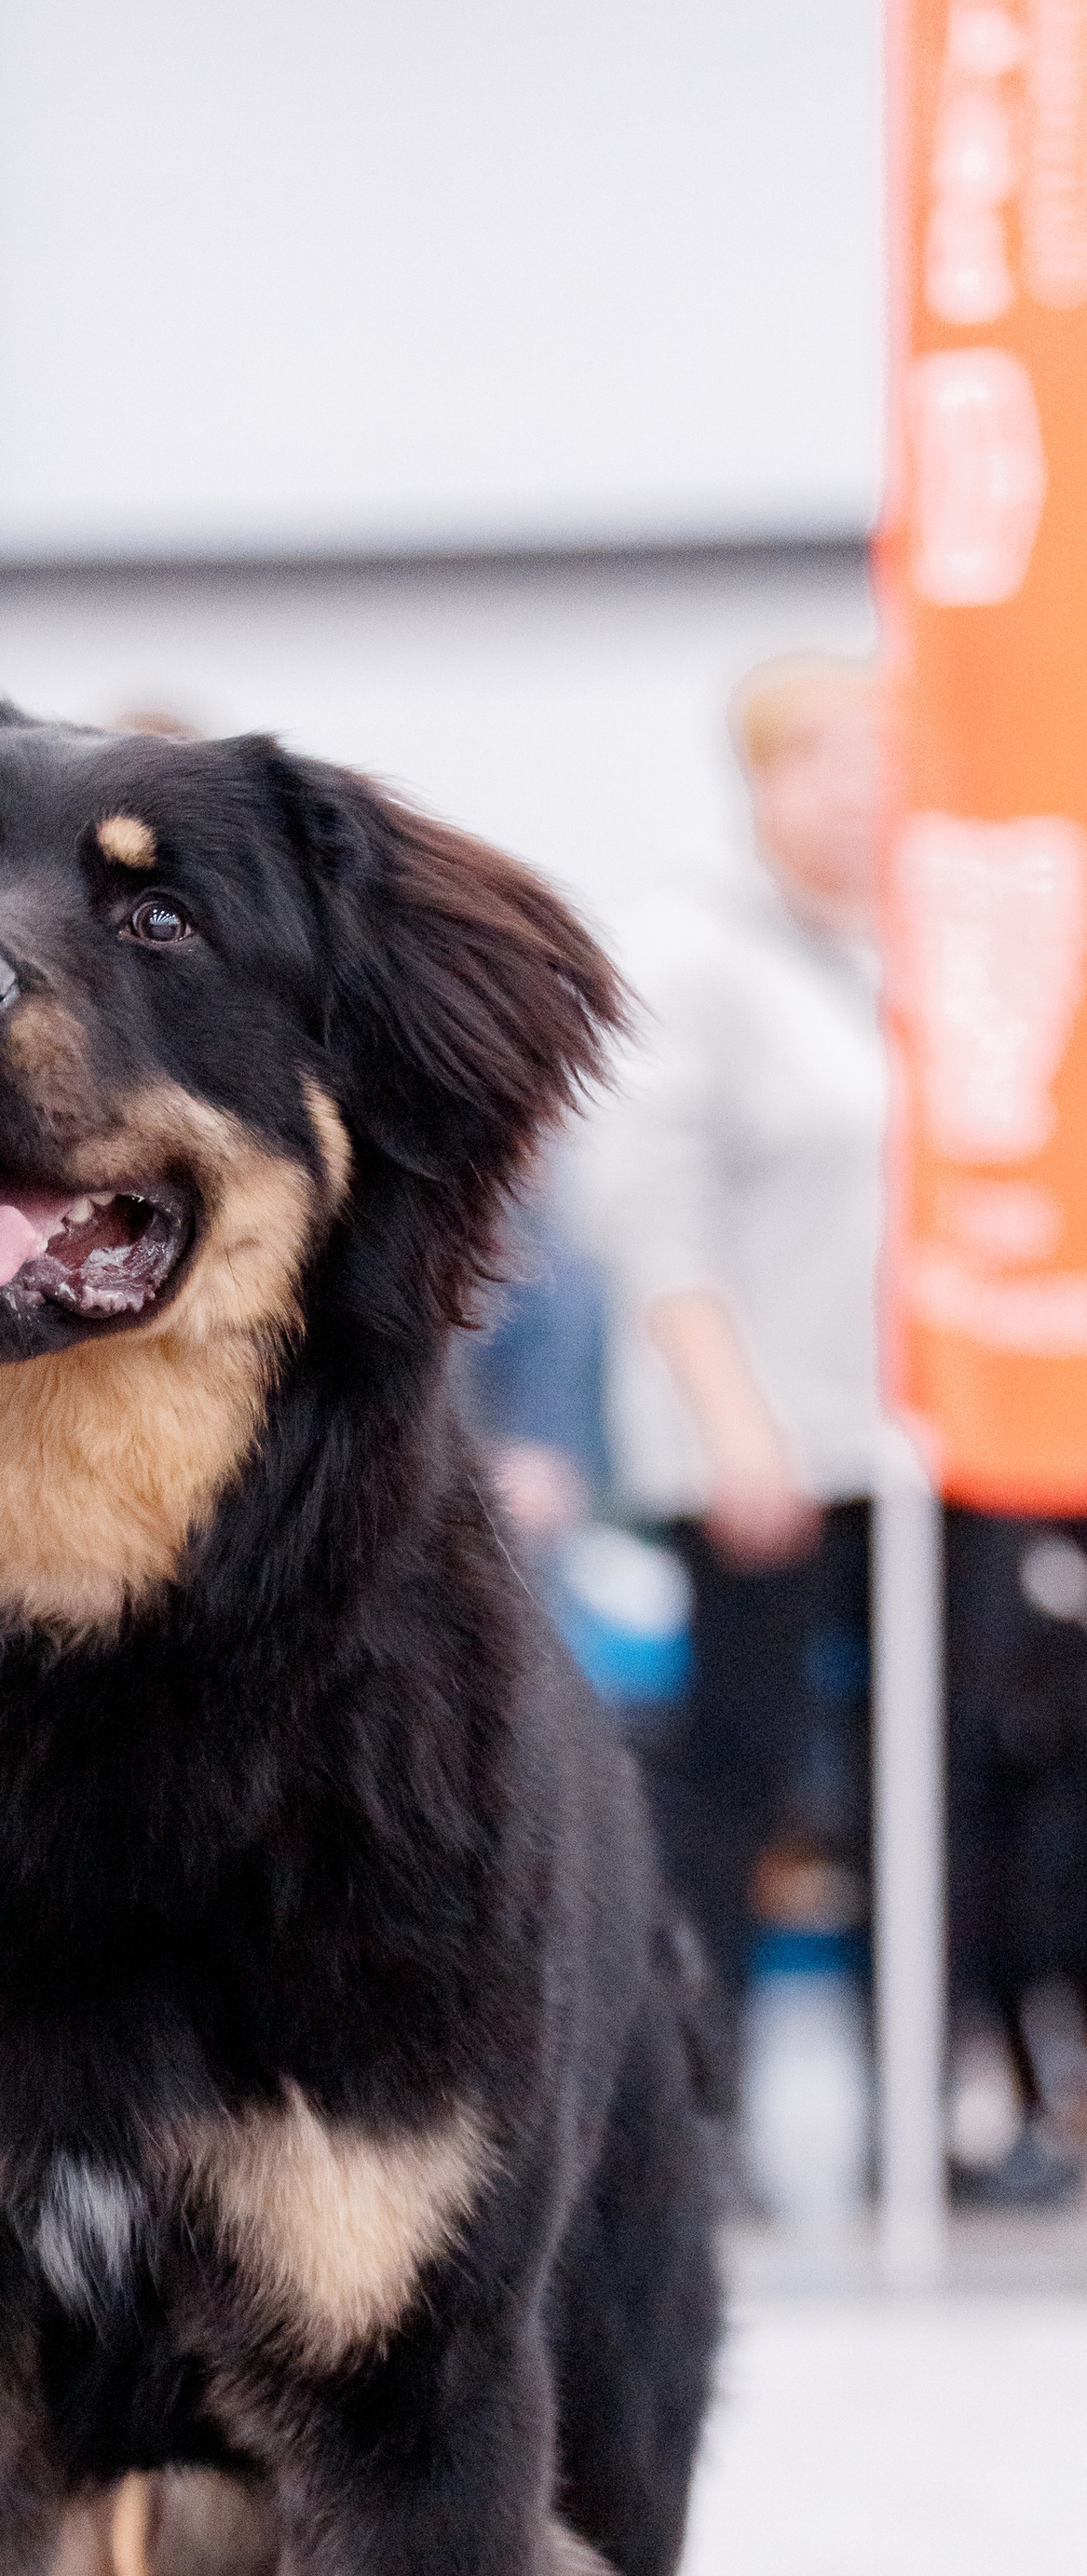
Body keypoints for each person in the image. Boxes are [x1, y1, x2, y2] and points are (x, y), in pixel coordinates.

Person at [571, 656, 886, 2121]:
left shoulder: (908, 956)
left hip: (914, 1439)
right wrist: (734, 1418)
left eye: (880, 758)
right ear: (762, 780)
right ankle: (695, 2100)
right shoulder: (691, 953)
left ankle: (926, 2104)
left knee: (934, 1780)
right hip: (758, 1439)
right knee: (740, 1770)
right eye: (826, 760)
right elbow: (649, 1210)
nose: (861, 790)